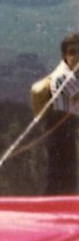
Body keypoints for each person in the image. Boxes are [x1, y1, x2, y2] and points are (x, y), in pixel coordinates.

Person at [42, 33, 79, 195]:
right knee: (58, 176)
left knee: (67, 176)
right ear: (64, 55)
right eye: (72, 52)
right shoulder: (63, 76)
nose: (76, 56)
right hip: (60, 129)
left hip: (68, 127)